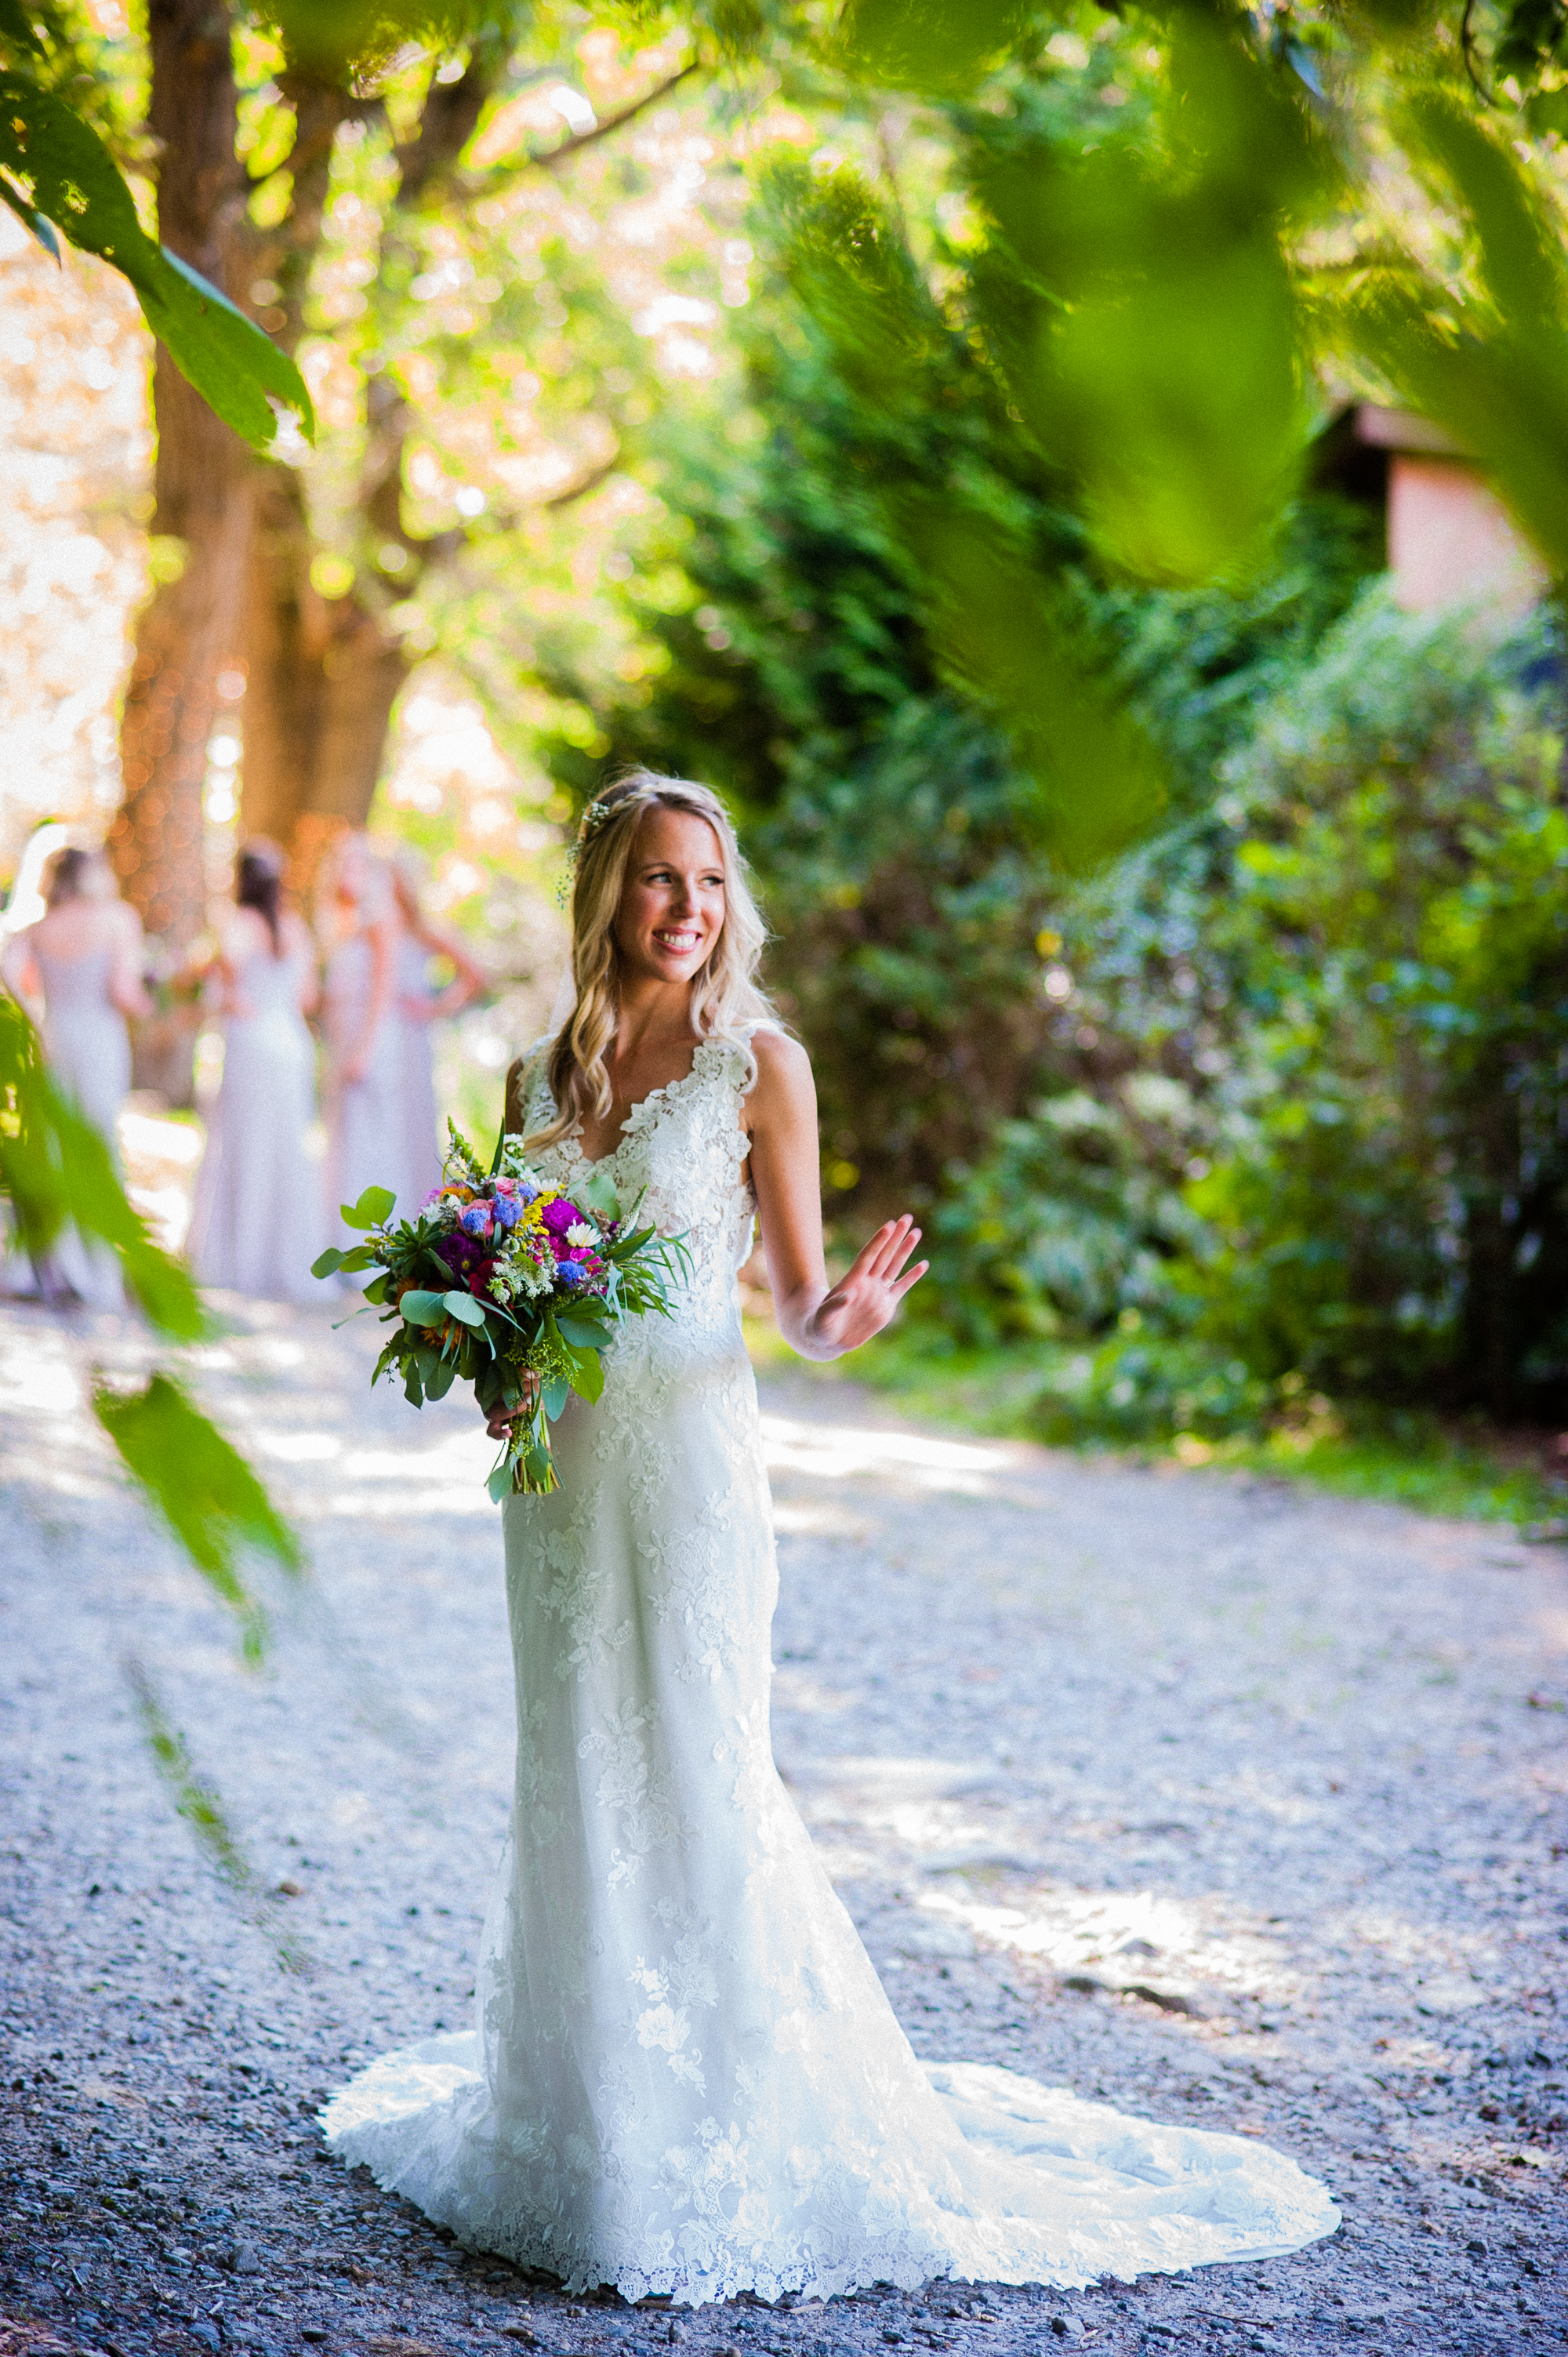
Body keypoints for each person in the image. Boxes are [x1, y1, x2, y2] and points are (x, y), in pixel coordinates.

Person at [321, 772, 1337, 2302]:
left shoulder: (756, 1067)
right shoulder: (538, 1072)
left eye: (709, 882)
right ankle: (577, 2119)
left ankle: (728, 2125)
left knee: (701, 1756)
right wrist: (498, 1368)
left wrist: (842, 1319)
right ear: (608, 893)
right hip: (558, 1479)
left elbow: (796, 1304)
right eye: (659, 880)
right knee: (579, 1758)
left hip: (687, 1463)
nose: (687, 910)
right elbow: (527, 1279)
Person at [1, 844, 148, 1308]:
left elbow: (5, 964)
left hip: (55, 1037)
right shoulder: (117, 920)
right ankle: (96, 1268)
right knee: (99, 1141)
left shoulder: (42, 928)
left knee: (54, 1145)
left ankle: (49, 1265)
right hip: (101, 1040)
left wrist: (33, 1017)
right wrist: (152, 1007)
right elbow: (123, 991)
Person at [184, 841, 325, 1303]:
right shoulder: (296, 928)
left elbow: (227, 986)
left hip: (251, 1042)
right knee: (285, 1148)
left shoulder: (237, 926)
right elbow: (307, 999)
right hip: (290, 1042)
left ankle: (236, 1256)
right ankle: (281, 1258)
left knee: (243, 1142)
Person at [390, 847, 485, 1209]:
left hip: (412, 1038)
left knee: (413, 1120)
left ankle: (420, 1205)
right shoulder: (376, 927)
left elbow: (475, 975)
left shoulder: (423, 930)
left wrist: (435, 1007)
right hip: (387, 1038)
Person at [320, 832, 402, 1241]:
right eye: (341, 863)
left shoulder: (380, 916)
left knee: (365, 1136)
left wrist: (364, 1050)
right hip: (339, 1036)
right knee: (340, 1134)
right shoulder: (341, 920)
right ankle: (340, 1234)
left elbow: (384, 988)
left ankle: (368, 1242)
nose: (345, 872)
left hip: (367, 1039)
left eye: (355, 863)